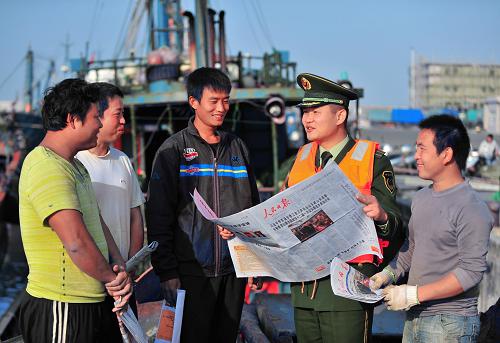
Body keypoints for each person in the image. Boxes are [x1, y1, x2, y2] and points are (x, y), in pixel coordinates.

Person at [284, 73, 404, 343]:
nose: (306, 119)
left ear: (340, 116)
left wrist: (382, 215)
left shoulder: (372, 161)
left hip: (347, 291)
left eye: (315, 111)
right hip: (303, 289)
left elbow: (396, 225)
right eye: (305, 112)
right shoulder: (299, 159)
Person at [146, 67, 261, 343]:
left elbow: (254, 209)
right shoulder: (173, 151)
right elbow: (159, 216)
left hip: (233, 271)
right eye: (214, 101)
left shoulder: (238, 149)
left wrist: (257, 263)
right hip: (191, 273)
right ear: (194, 102)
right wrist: (168, 272)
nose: (222, 108)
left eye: (226, 100)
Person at [18, 78, 132, 343]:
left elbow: (97, 220)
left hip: (94, 300)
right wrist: (112, 280)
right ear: (73, 119)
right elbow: (77, 242)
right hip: (63, 305)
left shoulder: (75, 166)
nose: (101, 124)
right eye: (95, 117)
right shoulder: (46, 166)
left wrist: (118, 264)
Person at [370, 115, 494, 343]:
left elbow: (471, 272)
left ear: (446, 154)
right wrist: (389, 273)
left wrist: (413, 294)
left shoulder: (471, 208)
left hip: (450, 323)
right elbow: (413, 246)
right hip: (414, 316)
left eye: (422, 149)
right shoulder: (422, 197)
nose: (415, 156)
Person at [76, 83, 145, 318]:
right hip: (92, 281)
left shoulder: (123, 160)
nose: (123, 120)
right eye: (118, 114)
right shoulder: (76, 163)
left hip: (125, 279)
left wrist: (130, 265)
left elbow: (135, 216)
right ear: (97, 115)